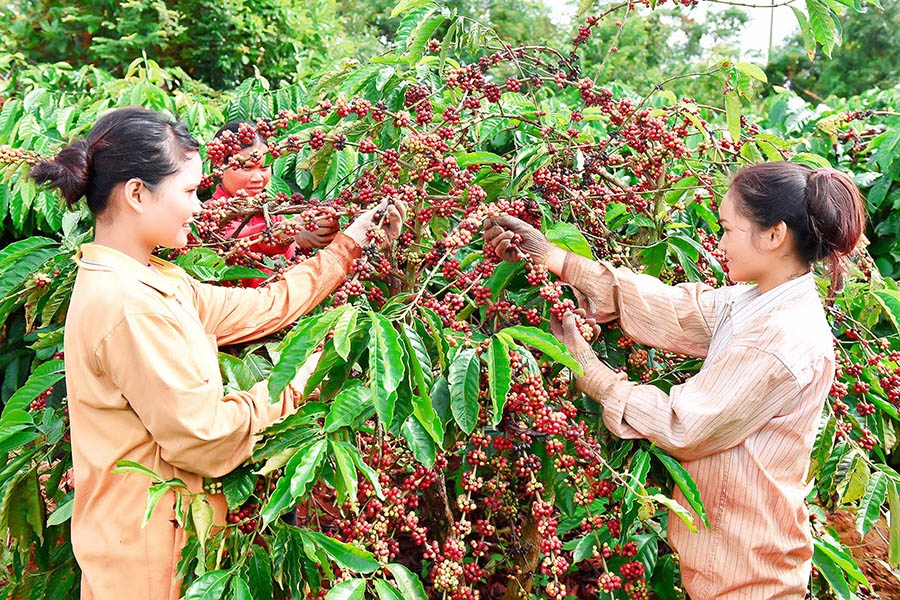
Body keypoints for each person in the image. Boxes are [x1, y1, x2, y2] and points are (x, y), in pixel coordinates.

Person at [30, 106, 406, 600]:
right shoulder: (130, 307)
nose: (201, 207)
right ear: (138, 194)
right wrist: (304, 377)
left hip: (168, 541)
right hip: (148, 561)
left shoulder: (152, 281)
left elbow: (261, 306)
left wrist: (349, 246)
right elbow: (207, 438)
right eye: (188, 192)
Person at [483, 162, 866, 600]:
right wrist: (554, 258)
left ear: (774, 235)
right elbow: (674, 309)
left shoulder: (779, 338)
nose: (720, 243)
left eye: (727, 228)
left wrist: (590, 372)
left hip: (750, 578)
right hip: (728, 563)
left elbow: (682, 425)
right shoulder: (758, 301)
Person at [205, 120, 339, 287]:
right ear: (220, 166)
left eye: (264, 167)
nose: (258, 178)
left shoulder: (273, 215)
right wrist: (288, 233)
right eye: (247, 168)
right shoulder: (207, 217)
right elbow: (234, 240)